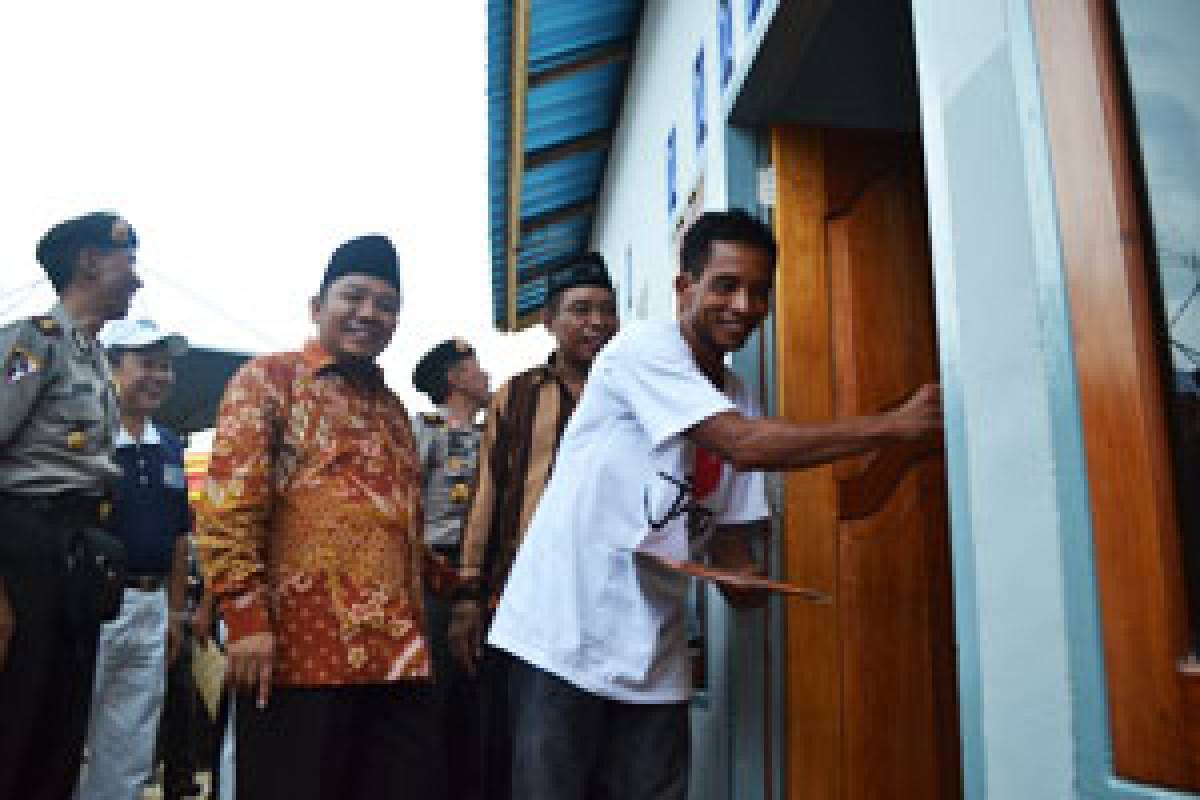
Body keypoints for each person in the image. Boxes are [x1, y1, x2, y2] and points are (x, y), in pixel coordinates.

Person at [485, 210, 942, 800]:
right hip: (564, 637)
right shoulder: (641, 350)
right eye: (725, 285)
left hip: (654, 657)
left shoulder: (738, 397)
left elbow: (729, 541)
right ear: (685, 288)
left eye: (759, 291)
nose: (743, 305)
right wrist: (894, 426)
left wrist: (748, 583)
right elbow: (743, 446)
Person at [196, 234, 452, 800]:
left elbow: (399, 530)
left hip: (396, 660)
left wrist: (466, 592)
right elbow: (229, 508)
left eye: (386, 304)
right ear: (317, 306)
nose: (369, 313)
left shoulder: (393, 410)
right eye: (353, 297)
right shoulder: (269, 380)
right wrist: (246, 620)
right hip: (298, 654)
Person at [449, 252, 619, 798]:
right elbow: (486, 496)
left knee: (609, 762)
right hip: (527, 608)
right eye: (580, 310)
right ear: (549, 320)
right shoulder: (517, 395)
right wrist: (468, 596)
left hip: (614, 606)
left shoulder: (633, 392)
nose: (596, 323)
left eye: (606, 310)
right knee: (533, 756)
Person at [0, 211, 141, 800]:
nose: (137, 279)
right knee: (18, 720)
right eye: (128, 262)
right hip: (26, 546)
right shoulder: (34, 342)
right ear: (88, 262)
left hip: (78, 552)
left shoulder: (96, 360)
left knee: (62, 725)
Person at [76, 318, 191, 800]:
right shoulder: (87, 436)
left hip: (150, 605)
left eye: (165, 367)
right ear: (111, 366)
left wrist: (175, 613)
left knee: (133, 735)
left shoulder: (170, 445)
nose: (159, 376)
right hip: (93, 603)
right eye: (146, 364)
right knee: (76, 727)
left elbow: (181, 536)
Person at [410, 337, 491, 800]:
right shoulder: (427, 430)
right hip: (439, 572)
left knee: (478, 696)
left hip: (484, 575)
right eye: (476, 367)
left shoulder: (491, 435)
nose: (486, 375)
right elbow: (408, 503)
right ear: (455, 378)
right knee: (437, 692)